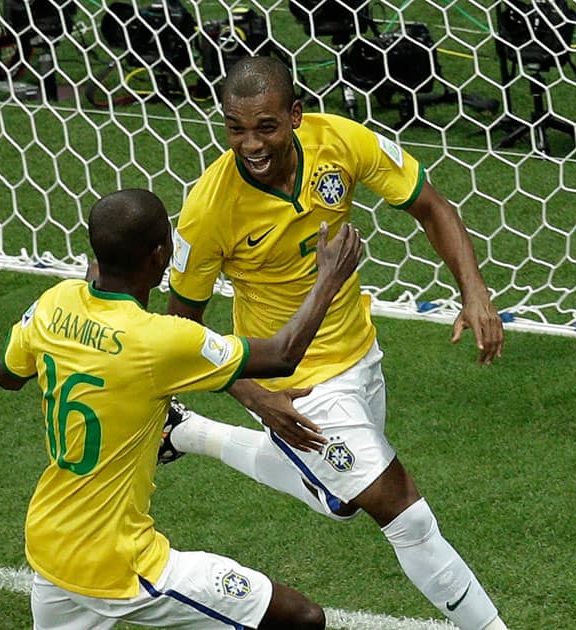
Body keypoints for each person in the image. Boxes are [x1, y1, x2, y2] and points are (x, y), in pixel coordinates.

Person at [162, 56, 508, 630]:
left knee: (340, 499)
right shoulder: (208, 209)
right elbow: (182, 330)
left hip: (360, 355)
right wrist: (252, 394)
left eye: (265, 126)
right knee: (404, 515)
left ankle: (189, 432)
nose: (250, 144)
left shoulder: (340, 142)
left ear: (296, 116)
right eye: (235, 128)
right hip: (294, 383)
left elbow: (432, 205)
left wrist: (474, 292)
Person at [0, 188, 363, 630]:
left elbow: (8, 375)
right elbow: (283, 355)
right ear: (160, 254)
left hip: (51, 539)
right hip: (119, 562)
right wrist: (329, 277)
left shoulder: (56, 302)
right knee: (301, 619)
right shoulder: (160, 341)